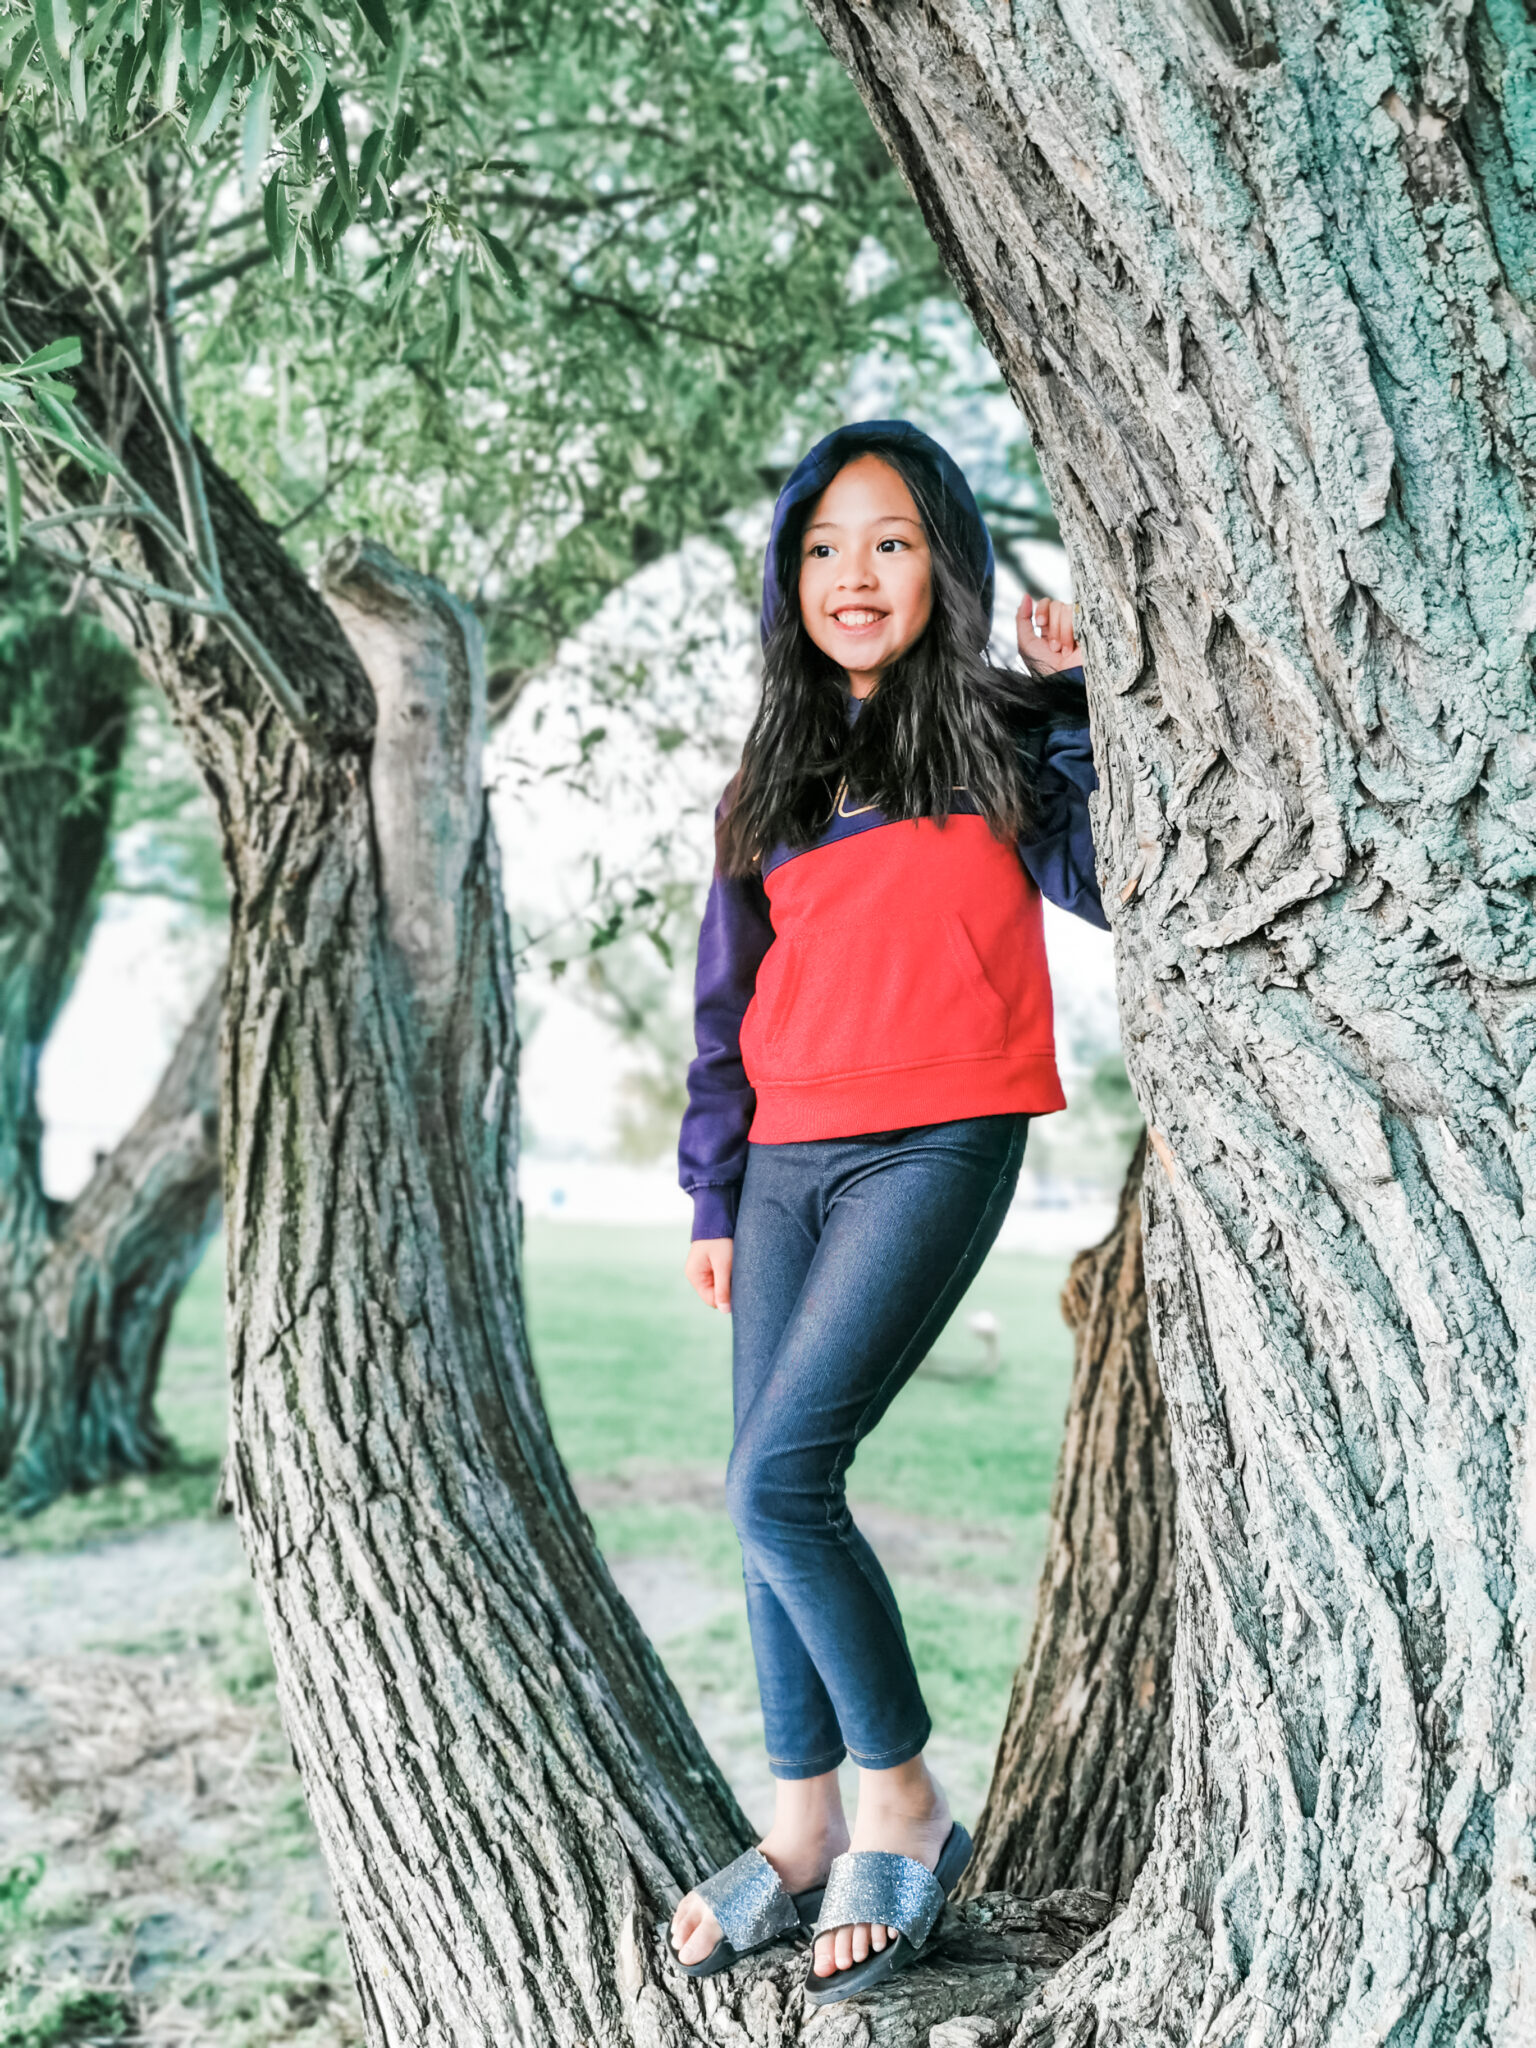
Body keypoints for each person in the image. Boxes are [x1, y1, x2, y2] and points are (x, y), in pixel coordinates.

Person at [668, 420, 1107, 2007]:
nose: (857, 575)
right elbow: (724, 1014)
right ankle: (798, 1834)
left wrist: (1075, 701)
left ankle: (902, 1802)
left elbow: (1115, 879)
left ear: (947, 564)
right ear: (789, 578)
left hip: (940, 1136)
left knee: (785, 1480)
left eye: (894, 541)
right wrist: (711, 1190)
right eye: (825, 546)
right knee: (750, 1497)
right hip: (782, 1162)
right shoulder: (766, 779)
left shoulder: (997, 729)